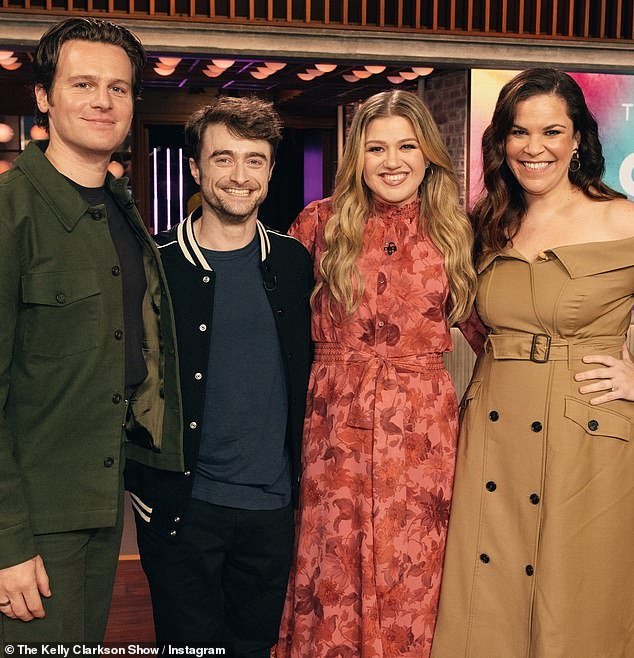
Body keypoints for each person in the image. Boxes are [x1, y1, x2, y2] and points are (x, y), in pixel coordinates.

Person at [431, 68, 634, 658]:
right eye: (519, 133)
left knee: (574, 607)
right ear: (503, 142)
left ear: (578, 140)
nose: (534, 147)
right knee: (487, 601)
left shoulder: (621, 218)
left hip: (587, 439)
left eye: (551, 131)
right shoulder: (488, 223)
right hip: (494, 433)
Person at [276, 89, 477, 657]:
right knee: (331, 555)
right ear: (355, 158)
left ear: (429, 153)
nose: (393, 161)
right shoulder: (319, 224)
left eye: (407, 146)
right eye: (376, 147)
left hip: (422, 432)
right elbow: (277, 331)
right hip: (335, 425)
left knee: (417, 558)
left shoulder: (455, 230)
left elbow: (501, 329)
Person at [0, 17, 182, 645]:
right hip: (32, 525)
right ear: (44, 97)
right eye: (82, 84)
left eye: (119, 88)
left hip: (102, 509)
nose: (103, 102)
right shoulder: (8, 215)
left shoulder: (123, 213)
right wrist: (7, 544)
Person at [125, 96, 313, 656]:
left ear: (270, 170)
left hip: (272, 509)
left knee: (255, 649)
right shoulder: (153, 264)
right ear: (195, 167)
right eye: (223, 158)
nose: (239, 175)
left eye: (254, 160)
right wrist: (143, 487)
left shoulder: (294, 262)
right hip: (184, 508)